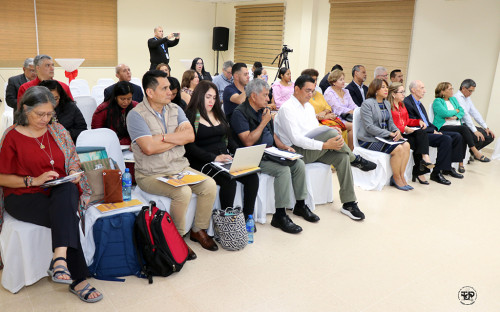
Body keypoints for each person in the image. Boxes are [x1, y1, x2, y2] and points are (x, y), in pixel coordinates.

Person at [0, 86, 102, 303]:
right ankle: (77, 277)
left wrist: (73, 172)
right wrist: (33, 180)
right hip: (23, 195)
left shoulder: (58, 131)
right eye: (40, 114)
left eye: (50, 114)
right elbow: (2, 177)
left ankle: (59, 261)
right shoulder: (12, 137)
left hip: (59, 189)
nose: (46, 119)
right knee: (67, 217)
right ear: (25, 109)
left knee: (66, 190)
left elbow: (73, 159)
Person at [126, 70, 217, 257]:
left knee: (209, 185)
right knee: (183, 192)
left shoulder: (176, 109)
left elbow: (190, 136)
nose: (170, 92)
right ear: (150, 93)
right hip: (151, 174)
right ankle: (176, 239)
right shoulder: (136, 115)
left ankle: (198, 230)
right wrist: (176, 138)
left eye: (169, 88)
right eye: (165, 88)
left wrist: (163, 138)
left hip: (179, 167)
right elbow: (148, 148)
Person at [274, 75, 376, 221]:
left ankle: (349, 203)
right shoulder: (287, 109)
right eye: (307, 91)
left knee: (342, 157)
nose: (310, 94)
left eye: (312, 91)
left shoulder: (308, 107)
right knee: (331, 131)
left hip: (312, 148)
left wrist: (329, 140)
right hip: (295, 151)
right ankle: (356, 159)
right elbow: (297, 139)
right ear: (296, 89)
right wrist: (325, 144)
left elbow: (315, 130)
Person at [231, 79, 316, 233]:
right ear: (253, 96)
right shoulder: (240, 113)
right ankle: (280, 215)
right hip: (253, 156)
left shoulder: (263, 110)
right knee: (283, 170)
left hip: (271, 151)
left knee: (298, 164)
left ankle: (300, 205)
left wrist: (283, 147)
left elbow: (271, 134)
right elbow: (248, 141)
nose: (268, 98)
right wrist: (264, 122)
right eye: (265, 95)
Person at [184, 81, 259, 221]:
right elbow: (189, 147)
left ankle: (248, 217)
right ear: (200, 96)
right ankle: (227, 221)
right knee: (229, 181)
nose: (212, 101)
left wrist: (240, 154)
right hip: (202, 161)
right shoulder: (191, 115)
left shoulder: (219, 113)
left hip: (223, 159)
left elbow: (229, 140)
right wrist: (214, 157)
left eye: (214, 97)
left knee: (252, 177)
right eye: (208, 97)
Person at [404, 80, 464, 185]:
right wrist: (432, 130)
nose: (425, 91)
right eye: (422, 88)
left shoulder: (419, 103)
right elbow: (414, 123)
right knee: (446, 139)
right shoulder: (408, 102)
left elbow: (426, 122)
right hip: (418, 134)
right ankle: (436, 173)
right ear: (413, 90)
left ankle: (446, 167)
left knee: (456, 136)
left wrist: (434, 129)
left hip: (426, 131)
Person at [357, 79, 412, 190]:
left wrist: (397, 131)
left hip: (383, 137)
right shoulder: (367, 104)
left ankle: (401, 176)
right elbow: (369, 127)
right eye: (383, 87)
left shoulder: (386, 103)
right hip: (368, 139)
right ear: (375, 89)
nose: (386, 89)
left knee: (406, 145)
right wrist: (389, 134)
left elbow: (390, 122)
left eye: (386, 87)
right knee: (398, 149)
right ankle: (396, 178)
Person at [432, 82, 489, 171]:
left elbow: (462, 111)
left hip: (455, 125)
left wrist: (455, 116)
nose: (452, 91)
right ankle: (474, 151)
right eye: (449, 89)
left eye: (452, 88)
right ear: (442, 91)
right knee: (464, 128)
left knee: (461, 135)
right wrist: (456, 111)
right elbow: (445, 113)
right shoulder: (437, 101)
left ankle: (459, 164)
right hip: (444, 126)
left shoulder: (453, 99)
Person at [388, 83, 434, 183]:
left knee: (421, 133)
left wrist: (418, 121)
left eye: (404, 92)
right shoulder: (389, 106)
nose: (404, 94)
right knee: (418, 141)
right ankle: (421, 166)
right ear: (393, 94)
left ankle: (424, 158)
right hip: (396, 134)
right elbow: (391, 124)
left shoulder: (402, 105)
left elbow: (407, 120)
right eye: (401, 92)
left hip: (405, 132)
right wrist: (404, 128)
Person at [302, 68, 347, 142]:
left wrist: (324, 112)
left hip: (324, 120)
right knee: (336, 131)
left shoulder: (318, 94)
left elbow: (328, 107)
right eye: (312, 80)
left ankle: (342, 152)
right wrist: (325, 116)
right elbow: (308, 116)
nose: (315, 82)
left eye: (316, 79)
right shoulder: (303, 95)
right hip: (314, 124)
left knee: (342, 129)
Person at [454, 79, 495, 157]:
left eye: (472, 91)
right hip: (460, 124)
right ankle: (473, 154)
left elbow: (475, 112)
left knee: (489, 136)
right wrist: (475, 131)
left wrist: (485, 127)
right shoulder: (457, 97)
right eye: (470, 91)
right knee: (478, 137)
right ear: (463, 88)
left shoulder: (467, 98)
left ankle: (471, 154)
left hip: (467, 124)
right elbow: (465, 115)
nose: (471, 93)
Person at [324, 69, 356, 150]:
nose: (343, 82)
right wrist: (350, 111)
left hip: (349, 116)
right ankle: (350, 151)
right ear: (334, 82)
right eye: (340, 79)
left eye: (343, 79)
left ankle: (356, 150)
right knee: (353, 126)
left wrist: (358, 111)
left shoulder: (346, 91)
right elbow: (337, 108)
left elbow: (352, 105)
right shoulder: (329, 92)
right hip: (336, 118)